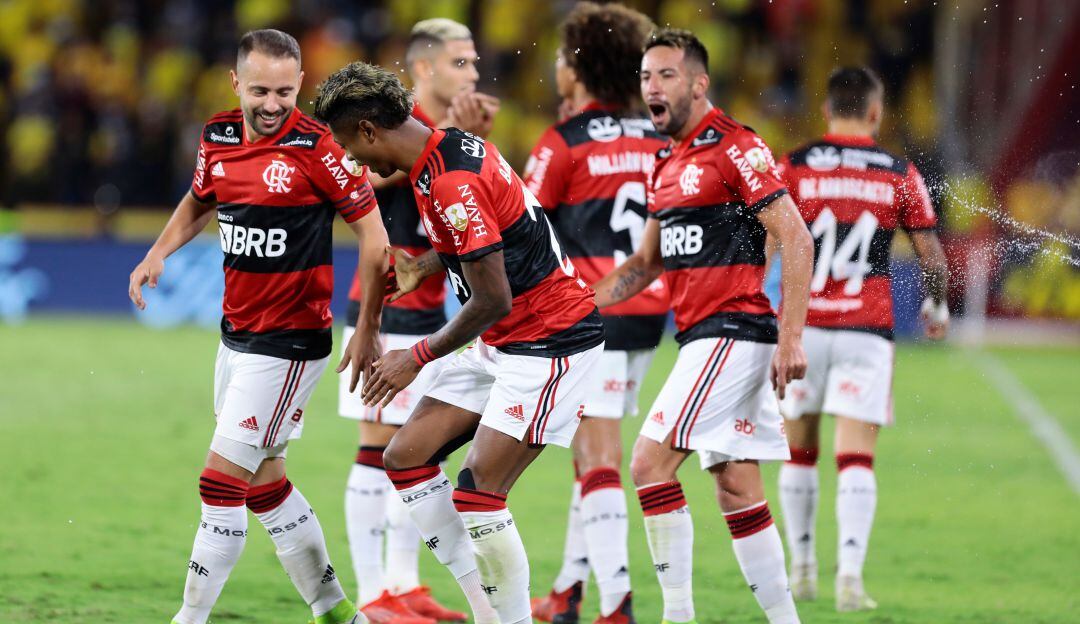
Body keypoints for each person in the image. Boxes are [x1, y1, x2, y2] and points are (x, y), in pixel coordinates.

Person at [314, 61, 606, 624]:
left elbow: (493, 296)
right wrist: (426, 264)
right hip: (504, 339)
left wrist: (415, 357)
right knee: (405, 456)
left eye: (352, 145)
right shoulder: (445, 151)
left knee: (478, 494)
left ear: (371, 130)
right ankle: (486, 611)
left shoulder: (448, 180)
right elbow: (494, 238)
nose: (354, 161)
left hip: (550, 341)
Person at [127, 30, 388, 624]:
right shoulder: (217, 135)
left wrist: (367, 324)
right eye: (261, 91)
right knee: (266, 484)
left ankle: (188, 619)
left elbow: (374, 237)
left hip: (290, 342)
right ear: (235, 83)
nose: (273, 104)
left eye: (286, 92)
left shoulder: (319, 149)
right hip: (237, 337)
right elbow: (201, 199)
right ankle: (338, 612)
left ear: (300, 86)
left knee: (219, 484)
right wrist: (158, 251)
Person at [592, 28, 814, 624]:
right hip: (702, 336)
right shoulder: (665, 163)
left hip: (733, 330)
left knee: (646, 464)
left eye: (665, 75)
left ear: (698, 82)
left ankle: (678, 615)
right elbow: (645, 265)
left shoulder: (735, 145)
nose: (652, 88)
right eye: (645, 78)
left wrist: (791, 337)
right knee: (737, 483)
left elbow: (795, 235)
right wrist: (578, 306)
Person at [338, 18, 498, 624]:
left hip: (428, 311)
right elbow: (377, 183)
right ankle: (375, 591)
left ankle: (405, 584)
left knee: (414, 453)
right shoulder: (381, 131)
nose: (474, 74)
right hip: (380, 310)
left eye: (475, 63)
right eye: (461, 63)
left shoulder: (439, 134)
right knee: (375, 448)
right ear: (425, 69)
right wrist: (456, 134)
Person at [774, 66, 949, 612]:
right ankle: (849, 578)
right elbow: (933, 257)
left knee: (798, 452)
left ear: (827, 111)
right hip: (866, 332)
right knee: (856, 459)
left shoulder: (796, 165)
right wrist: (936, 305)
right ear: (876, 113)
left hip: (803, 329)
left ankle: (801, 571)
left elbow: (768, 238)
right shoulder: (898, 170)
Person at [523, 4, 665, 623]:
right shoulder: (661, 138)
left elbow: (523, 228)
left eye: (561, 56)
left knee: (598, 454)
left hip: (591, 313)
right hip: (649, 309)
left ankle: (617, 604)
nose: (556, 65)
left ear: (578, 68)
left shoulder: (563, 144)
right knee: (591, 455)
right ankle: (568, 590)